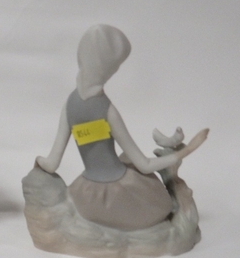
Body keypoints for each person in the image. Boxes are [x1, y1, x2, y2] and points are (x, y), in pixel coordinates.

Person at [36, 24, 208, 231]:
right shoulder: (107, 110)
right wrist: (184, 153)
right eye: (116, 66)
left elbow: (52, 163)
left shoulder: (69, 105)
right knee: (162, 205)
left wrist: (38, 163)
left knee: (126, 161)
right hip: (117, 195)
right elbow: (144, 164)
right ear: (107, 68)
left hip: (85, 195)